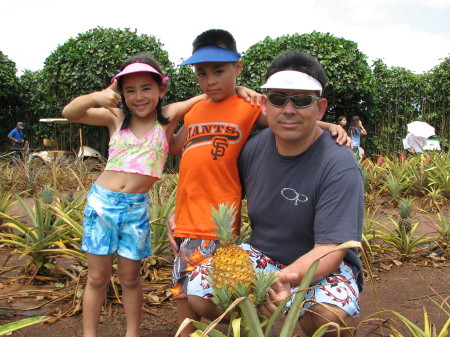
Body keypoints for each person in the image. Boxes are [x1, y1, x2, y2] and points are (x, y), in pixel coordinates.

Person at [166, 29, 350, 337]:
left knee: (204, 290)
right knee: (184, 289)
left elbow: (286, 116)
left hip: (215, 223)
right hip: (189, 218)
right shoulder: (196, 110)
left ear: (238, 68)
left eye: (220, 71)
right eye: (202, 73)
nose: (210, 80)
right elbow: (181, 153)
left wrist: (327, 124)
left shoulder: (249, 106)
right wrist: (177, 209)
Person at [61, 53, 212, 337]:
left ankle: (132, 334)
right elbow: (71, 112)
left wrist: (240, 89)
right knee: (97, 277)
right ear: (120, 93)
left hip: (135, 209)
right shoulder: (116, 117)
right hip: (102, 204)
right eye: (129, 90)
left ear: (161, 90)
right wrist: (97, 96)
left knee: (130, 279)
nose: (138, 96)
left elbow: (208, 95)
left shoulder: (168, 119)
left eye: (146, 88)